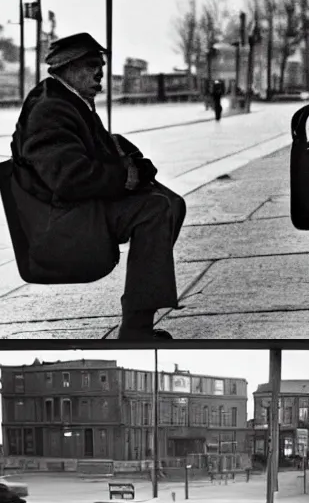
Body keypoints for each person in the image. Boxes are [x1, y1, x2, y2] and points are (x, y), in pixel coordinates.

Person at [11, 32, 186, 340]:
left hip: (77, 207)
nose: (100, 73)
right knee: (155, 208)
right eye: (91, 65)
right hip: (62, 219)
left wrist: (132, 163)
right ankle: (136, 329)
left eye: (101, 65)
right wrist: (124, 176)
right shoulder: (50, 108)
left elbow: (99, 149)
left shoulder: (71, 101)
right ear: (65, 67)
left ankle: (138, 314)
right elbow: (68, 178)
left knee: (171, 202)